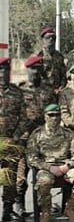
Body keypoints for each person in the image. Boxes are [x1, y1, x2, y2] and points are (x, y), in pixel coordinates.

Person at [27, 104, 74, 222]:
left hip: (65, 166)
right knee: (44, 182)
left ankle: (70, 208)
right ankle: (46, 211)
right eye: (51, 115)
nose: (54, 118)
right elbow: (31, 157)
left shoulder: (68, 133)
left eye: (57, 115)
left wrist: (68, 166)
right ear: (45, 116)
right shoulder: (37, 134)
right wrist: (49, 168)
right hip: (46, 167)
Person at [16, 57, 53, 217]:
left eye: (38, 68)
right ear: (27, 70)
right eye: (33, 68)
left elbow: (53, 112)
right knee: (21, 172)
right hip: (25, 136)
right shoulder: (20, 90)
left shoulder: (47, 90)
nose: (36, 71)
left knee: (44, 172)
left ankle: (43, 205)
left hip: (43, 137)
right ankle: (19, 204)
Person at [0, 58, 27, 221]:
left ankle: (7, 209)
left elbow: (23, 118)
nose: (2, 74)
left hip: (10, 141)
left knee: (9, 176)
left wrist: (15, 137)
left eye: (5, 71)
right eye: (0, 71)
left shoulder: (17, 93)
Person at [34, 27, 66, 94]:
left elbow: (63, 75)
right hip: (43, 93)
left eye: (53, 38)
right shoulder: (37, 56)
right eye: (48, 37)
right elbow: (34, 78)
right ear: (43, 39)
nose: (51, 39)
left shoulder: (59, 56)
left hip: (58, 93)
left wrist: (61, 87)